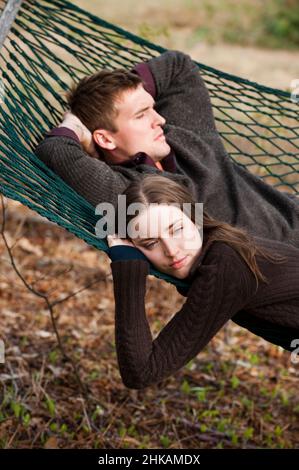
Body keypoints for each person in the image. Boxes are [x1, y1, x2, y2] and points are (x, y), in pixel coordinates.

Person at [35, 50, 298, 355]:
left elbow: (178, 67)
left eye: (152, 107)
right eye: (141, 115)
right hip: (280, 282)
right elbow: (55, 152)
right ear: (105, 140)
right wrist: (76, 123)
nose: (158, 118)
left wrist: (120, 97)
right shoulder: (130, 194)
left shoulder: (182, 134)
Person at [107, 175, 299, 390]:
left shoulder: (225, 266)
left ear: (195, 219)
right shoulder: (220, 244)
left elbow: (142, 372)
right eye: (151, 243)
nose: (172, 250)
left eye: (177, 230)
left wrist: (128, 271)